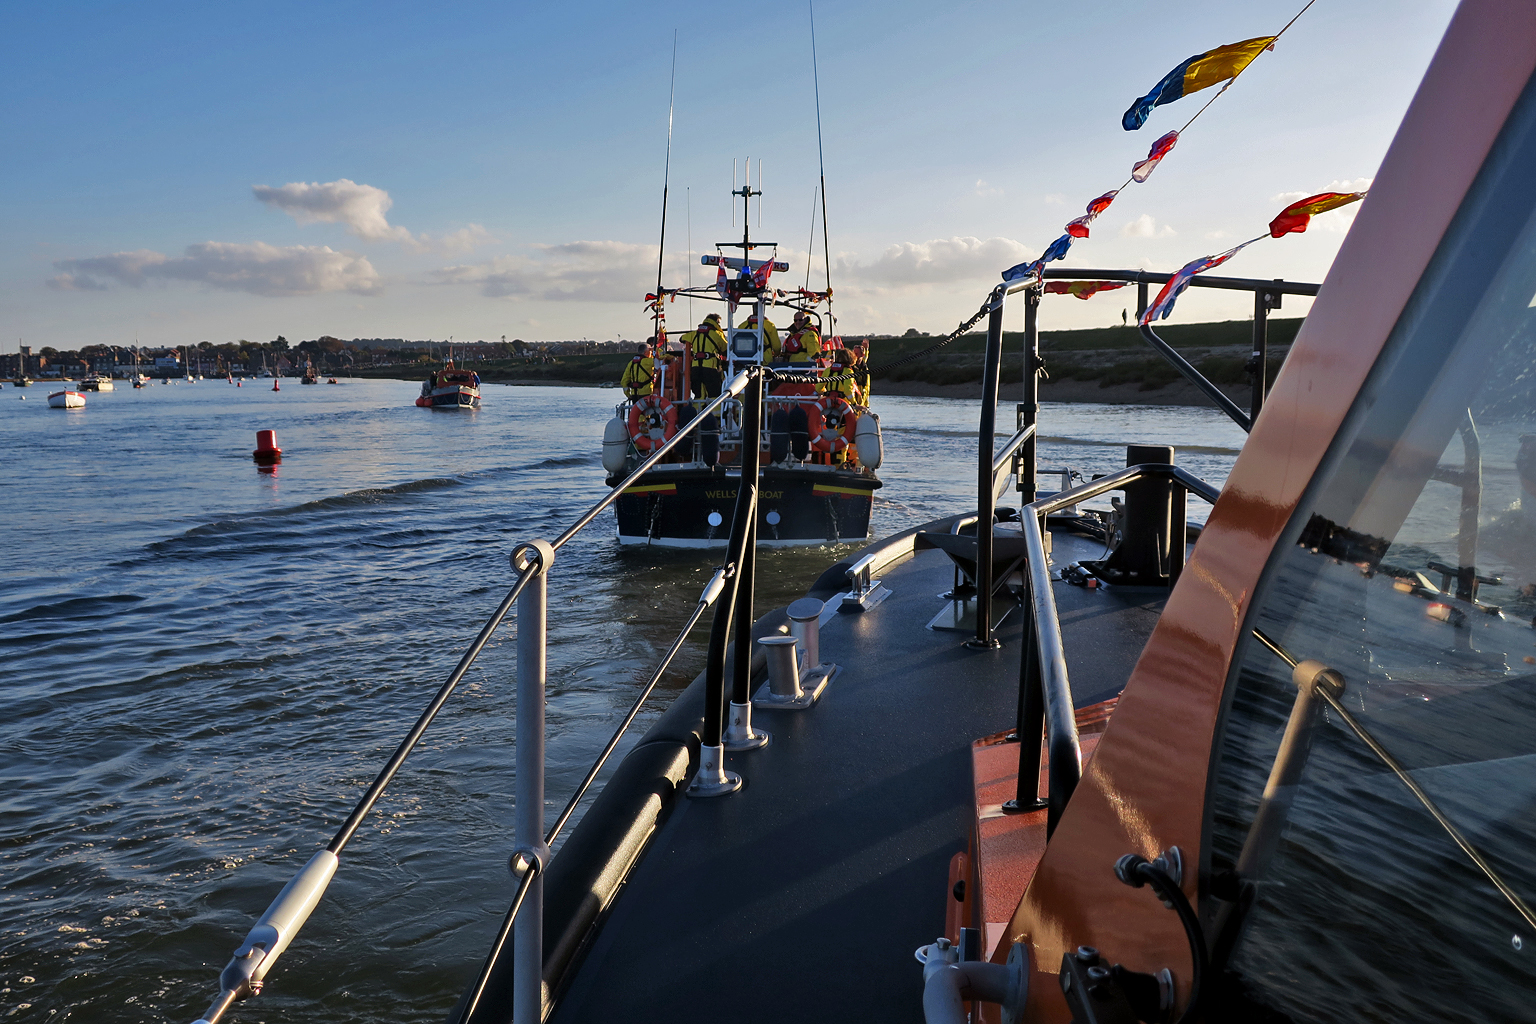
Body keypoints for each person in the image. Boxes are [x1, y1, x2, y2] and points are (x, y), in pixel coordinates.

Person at [683, 314, 726, 398]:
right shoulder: (717, 334)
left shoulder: (693, 334)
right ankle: (715, 411)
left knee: (699, 395)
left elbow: (682, 338)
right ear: (716, 322)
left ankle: (698, 410)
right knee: (715, 395)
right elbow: (725, 348)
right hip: (711, 369)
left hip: (695, 369)